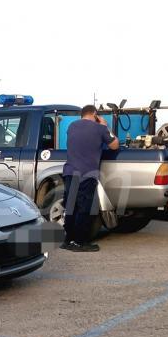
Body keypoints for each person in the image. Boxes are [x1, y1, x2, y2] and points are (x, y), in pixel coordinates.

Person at [61, 105, 119, 252]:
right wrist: (106, 126)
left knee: (71, 208)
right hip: (87, 174)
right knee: (85, 209)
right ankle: (80, 242)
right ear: (95, 114)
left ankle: (68, 240)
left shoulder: (72, 126)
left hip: (70, 172)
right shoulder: (99, 129)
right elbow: (114, 145)